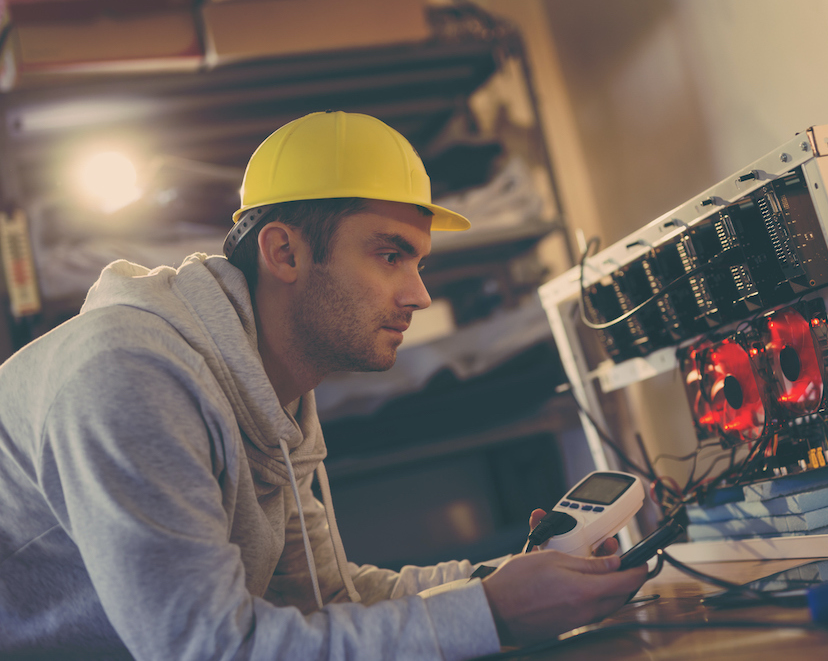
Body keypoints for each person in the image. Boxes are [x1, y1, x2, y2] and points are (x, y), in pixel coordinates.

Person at [0, 111, 648, 659]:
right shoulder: (133, 376)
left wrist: (502, 580)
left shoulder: (268, 383)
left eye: (419, 263)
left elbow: (325, 597)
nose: (420, 294)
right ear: (284, 253)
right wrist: (491, 614)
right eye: (391, 255)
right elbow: (213, 648)